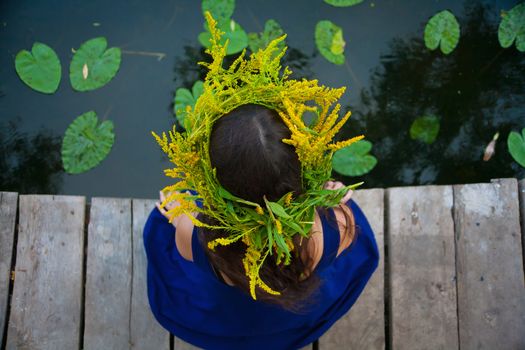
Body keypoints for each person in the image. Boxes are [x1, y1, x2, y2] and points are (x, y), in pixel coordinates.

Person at [144, 12, 379, 350]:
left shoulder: (193, 233)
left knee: (161, 221)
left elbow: (176, 220)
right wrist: (335, 196)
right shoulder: (336, 227)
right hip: (294, 314)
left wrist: (174, 208)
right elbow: (346, 224)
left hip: (226, 315)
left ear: (212, 179)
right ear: (301, 170)